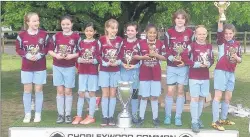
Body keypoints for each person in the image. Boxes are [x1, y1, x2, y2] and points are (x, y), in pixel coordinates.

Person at [16, 12, 50, 123]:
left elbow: (47, 47)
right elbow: (18, 49)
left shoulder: (44, 34)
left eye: (38, 20)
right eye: (34, 21)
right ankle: (27, 114)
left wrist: (40, 54)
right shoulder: (21, 35)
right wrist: (27, 55)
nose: (37, 23)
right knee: (27, 90)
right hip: (26, 68)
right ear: (28, 22)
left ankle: (38, 113)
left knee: (38, 90)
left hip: (40, 67)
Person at [212, 8, 242, 131]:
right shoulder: (221, 42)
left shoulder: (237, 44)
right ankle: (215, 121)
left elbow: (240, 60)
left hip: (231, 72)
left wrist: (236, 57)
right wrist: (221, 14)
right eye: (226, 33)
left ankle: (223, 118)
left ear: (234, 33)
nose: (228, 35)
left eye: (230, 33)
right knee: (218, 96)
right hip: (221, 71)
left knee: (228, 97)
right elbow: (220, 27)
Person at [48, 15, 80, 124]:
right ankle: (60, 114)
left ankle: (68, 114)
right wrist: (56, 55)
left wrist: (72, 56)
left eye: (67, 24)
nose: (65, 26)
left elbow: (81, 51)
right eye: (63, 24)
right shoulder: (56, 36)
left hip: (70, 67)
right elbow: (50, 50)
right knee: (60, 91)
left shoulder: (76, 37)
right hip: (57, 66)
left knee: (68, 91)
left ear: (72, 24)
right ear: (60, 25)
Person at [164, 9, 194, 126]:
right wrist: (172, 58)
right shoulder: (169, 32)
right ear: (174, 19)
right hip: (172, 66)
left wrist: (185, 62)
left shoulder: (190, 33)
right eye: (178, 18)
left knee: (181, 91)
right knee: (170, 91)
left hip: (183, 67)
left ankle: (178, 116)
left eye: (182, 18)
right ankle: (167, 116)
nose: (180, 20)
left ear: (185, 20)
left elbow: (191, 51)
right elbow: (165, 49)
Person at [134, 24, 166, 127]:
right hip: (144, 73)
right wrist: (143, 57)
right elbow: (135, 55)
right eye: (150, 32)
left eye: (154, 33)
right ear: (146, 33)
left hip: (156, 74)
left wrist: (156, 55)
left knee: (154, 97)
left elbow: (165, 57)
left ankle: (155, 118)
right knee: (144, 96)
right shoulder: (140, 43)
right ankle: (141, 117)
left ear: (157, 33)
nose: (152, 34)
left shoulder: (161, 43)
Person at [184, 25, 214, 133]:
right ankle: (194, 122)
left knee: (202, 98)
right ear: (195, 35)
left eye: (204, 34)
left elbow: (211, 59)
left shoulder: (209, 46)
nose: (202, 36)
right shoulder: (191, 46)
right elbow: (185, 58)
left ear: (206, 35)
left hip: (205, 77)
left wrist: (208, 64)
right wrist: (196, 64)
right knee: (195, 99)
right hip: (194, 77)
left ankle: (197, 118)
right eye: (199, 34)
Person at [72, 22, 99, 125]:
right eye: (87, 30)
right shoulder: (81, 42)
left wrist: (93, 61)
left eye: (91, 31)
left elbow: (99, 56)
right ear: (84, 31)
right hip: (82, 71)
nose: (89, 32)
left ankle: (91, 116)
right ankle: (79, 116)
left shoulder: (96, 43)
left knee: (92, 93)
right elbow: (76, 55)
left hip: (92, 72)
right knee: (81, 93)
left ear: (94, 32)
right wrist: (80, 60)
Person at [97, 19, 123, 126]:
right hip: (104, 70)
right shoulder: (101, 40)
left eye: (116, 28)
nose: (114, 30)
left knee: (113, 94)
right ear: (107, 28)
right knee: (105, 94)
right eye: (112, 28)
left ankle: (111, 116)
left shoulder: (120, 40)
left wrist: (117, 62)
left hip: (115, 70)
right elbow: (97, 54)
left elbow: (121, 54)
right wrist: (105, 63)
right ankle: (105, 116)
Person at [119, 22, 140, 123]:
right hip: (124, 71)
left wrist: (135, 66)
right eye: (128, 30)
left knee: (134, 94)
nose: (130, 32)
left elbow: (144, 59)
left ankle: (135, 114)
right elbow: (117, 56)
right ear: (125, 32)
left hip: (135, 71)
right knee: (125, 93)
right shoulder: (121, 43)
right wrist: (122, 64)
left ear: (136, 31)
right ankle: (126, 112)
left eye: (132, 30)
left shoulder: (140, 43)